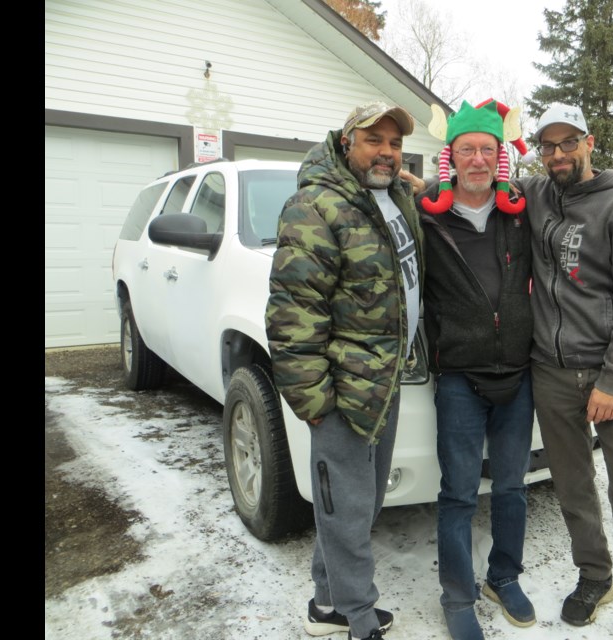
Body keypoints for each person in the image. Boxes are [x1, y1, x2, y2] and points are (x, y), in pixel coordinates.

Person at [514, 103, 613, 640]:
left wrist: (612, 380)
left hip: (610, 375)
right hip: (552, 372)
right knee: (573, 487)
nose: (558, 154)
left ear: (589, 142)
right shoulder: (537, 194)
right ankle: (595, 577)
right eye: (548, 145)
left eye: (568, 143)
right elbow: (479, 179)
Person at [265, 100, 424, 640]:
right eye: (374, 140)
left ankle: (326, 603)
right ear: (345, 141)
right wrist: (314, 403)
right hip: (342, 390)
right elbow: (293, 315)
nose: (386, 152)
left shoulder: (394, 196)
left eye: (395, 143)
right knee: (348, 507)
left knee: (358, 502)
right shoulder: (314, 206)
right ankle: (359, 616)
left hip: (384, 379)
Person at [415, 100, 535, 640]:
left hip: (518, 373)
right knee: (460, 494)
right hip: (460, 377)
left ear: (500, 157)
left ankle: (503, 577)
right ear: (452, 158)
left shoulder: (524, 215)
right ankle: (458, 596)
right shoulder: (426, 218)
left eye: (488, 149)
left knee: (512, 487)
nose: (479, 160)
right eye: (468, 150)